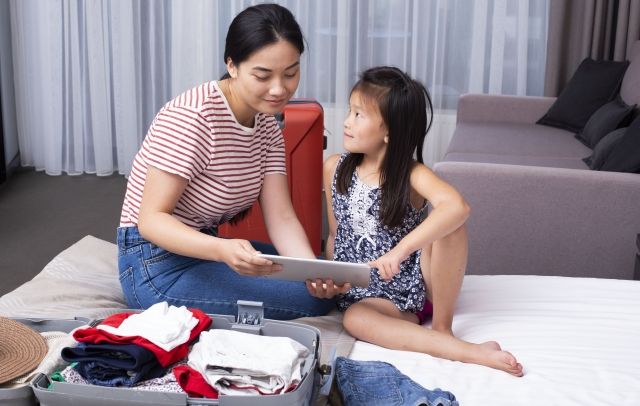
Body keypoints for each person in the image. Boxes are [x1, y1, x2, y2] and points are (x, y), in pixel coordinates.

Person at [117, 3, 335, 320]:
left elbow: (282, 218)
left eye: (291, 73)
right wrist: (222, 250)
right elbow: (150, 220)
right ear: (231, 65)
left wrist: (312, 271)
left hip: (203, 249)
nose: (279, 89)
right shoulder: (193, 116)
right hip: (154, 264)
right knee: (313, 300)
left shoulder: (267, 126)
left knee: (318, 276)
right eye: (263, 75)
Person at [307, 66, 524, 376]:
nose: (346, 121)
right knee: (354, 319)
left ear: (389, 131)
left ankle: (445, 333)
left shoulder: (411, 174)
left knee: (449, 222)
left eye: (359, 115)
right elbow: (336, 237)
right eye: (350, 111)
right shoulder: (335, 168)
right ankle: (445, 342)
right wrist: (334, 279)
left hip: (411, 286)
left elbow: (458, 206)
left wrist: (399, 252)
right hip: (364, 293)